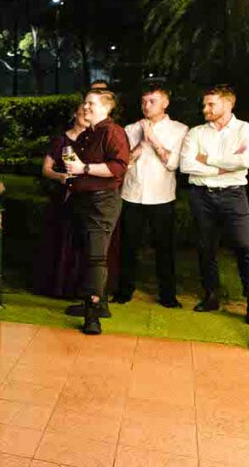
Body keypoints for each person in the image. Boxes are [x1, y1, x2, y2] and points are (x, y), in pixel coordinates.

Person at [180, 84, 249, 324]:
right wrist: (225, 166)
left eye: (211, 104)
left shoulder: (248, 130)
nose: (205, 108)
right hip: (201, 195)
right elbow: (186, 165)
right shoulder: (196, 133)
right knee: (206, 247)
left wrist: (207, 160)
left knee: (244, 246)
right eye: (204, 104)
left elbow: (245, 160)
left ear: (228, 104)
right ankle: (211, 295)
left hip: (234, 195)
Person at [113, 84, 188, 308]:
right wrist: (140, 144)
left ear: (165, 103)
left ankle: (167, 295)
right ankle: (124, 291)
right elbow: (122, 165)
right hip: (131, 195)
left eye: (152, 101)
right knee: (128, 246)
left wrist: (154, 140)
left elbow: (173, 164)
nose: (146, 106)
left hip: (162, 197)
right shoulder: (130, 128)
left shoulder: (180, 129)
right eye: (144, 101)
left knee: (165, 248)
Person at [63, 90, 130, 335]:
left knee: (95, 258)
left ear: (106, 108)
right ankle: (97, 305)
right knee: (88, 254)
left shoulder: (113, 132)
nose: (86, 107)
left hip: (102, 202)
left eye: (91, 103)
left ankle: (93, 317)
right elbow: (76, 170)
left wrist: (84, 168)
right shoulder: (88, 135)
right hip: (83, 201)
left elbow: (118, 167)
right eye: (85, 103)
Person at [32, 104, 88, 299]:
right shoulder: (60, 140)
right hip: (62, 196)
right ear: (75, 114)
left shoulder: (93, 139)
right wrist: (59, 177)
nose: (85, 115)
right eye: (82, 112)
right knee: (60, 238)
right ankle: (57, 285)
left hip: (86, 196)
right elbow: (46, 169)